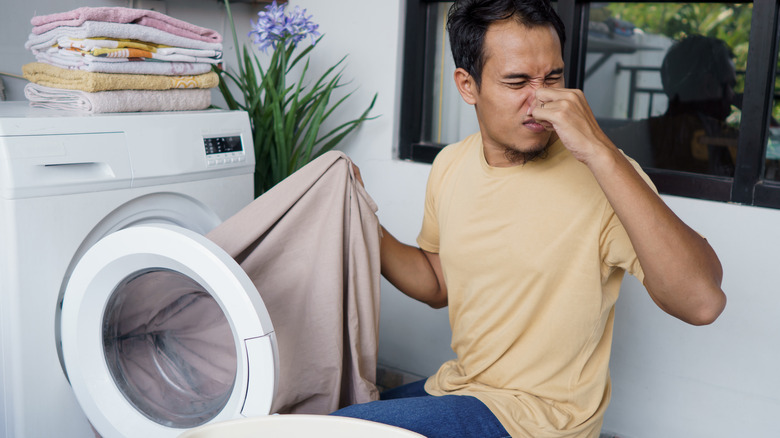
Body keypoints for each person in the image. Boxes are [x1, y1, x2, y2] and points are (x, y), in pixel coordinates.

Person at [333, 0, 726, 437]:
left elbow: (702, 302)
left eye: (553, 78)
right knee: (318, 416)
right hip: (462, 390)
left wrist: (600, 151)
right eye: (517, 81)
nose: (541, 100)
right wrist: (358, 214)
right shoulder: (450, 165)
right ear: (468, 85)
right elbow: (438, 283)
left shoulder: (606, 175)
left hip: (540, 420)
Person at [607, 35, 740, 176]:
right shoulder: (724, 140)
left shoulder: (640, 133)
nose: (733, 95)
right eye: (730, 85)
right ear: (708, 85)